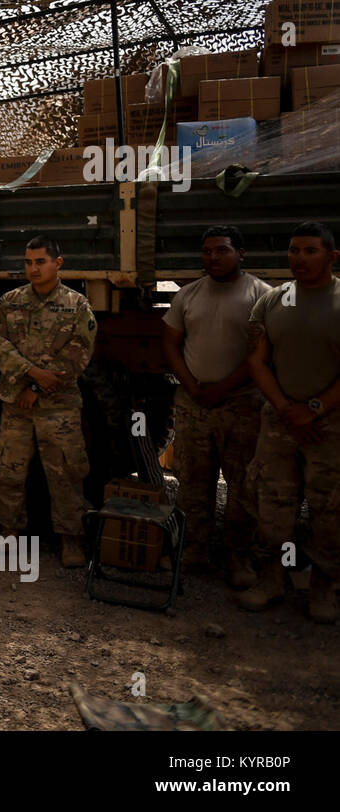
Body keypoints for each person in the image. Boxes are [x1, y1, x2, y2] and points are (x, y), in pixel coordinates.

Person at [239, 221, 340, 623]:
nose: (299, 259)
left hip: (329, 424)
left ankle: (324, 586)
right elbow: (256, 361)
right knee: (274, 505)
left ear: (331, 256)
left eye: (310, 251)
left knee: (329, 509)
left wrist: (314, 409)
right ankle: (271, 579)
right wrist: (284, 407)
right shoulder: (275, 300)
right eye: (294, 250)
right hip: (281, 420)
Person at [161, 225, 269, 585]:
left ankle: (240, 557)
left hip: (241, 404)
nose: (213, 258)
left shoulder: (262, 296)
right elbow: (171, 345)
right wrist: (192, 386)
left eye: (222, 250)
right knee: (192, 481)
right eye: (207, 251)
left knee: (243, 485)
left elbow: (262, 355)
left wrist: (223, 388)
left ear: (241, 254)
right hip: (194, 403)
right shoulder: (188, 295)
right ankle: (193, 551)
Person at [0, 235, 97, 567]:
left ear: (57, 264)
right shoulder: (10, 301)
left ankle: (71, 540)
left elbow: (78, 353)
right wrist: (31, 373)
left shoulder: (77, 305)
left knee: (65, 474)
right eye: (28, 262)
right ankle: (9, 535)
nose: (33, 269)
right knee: (10, 470)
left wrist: (36, 387)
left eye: (40, 262)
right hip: (16, 404)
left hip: (58, 406)